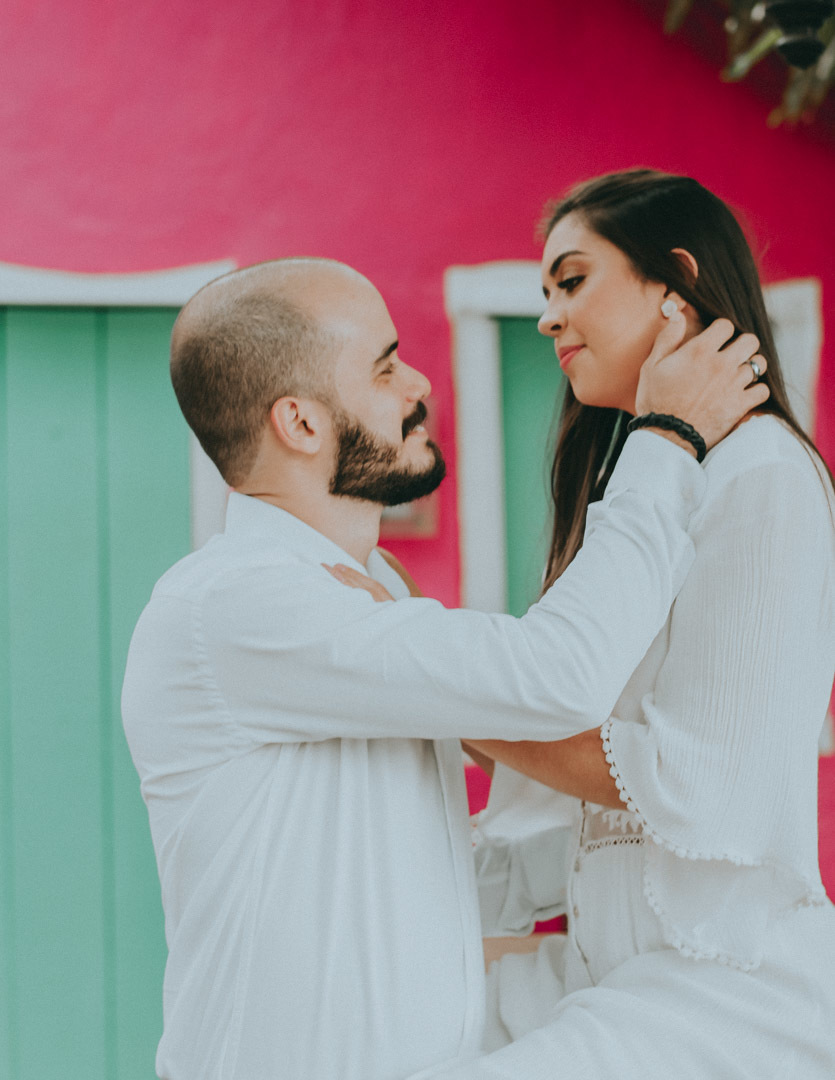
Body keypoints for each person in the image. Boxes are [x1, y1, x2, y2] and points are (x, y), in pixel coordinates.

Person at [121, 253, 765, 1080]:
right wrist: (668, 439)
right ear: (302, 424)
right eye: (384, 366)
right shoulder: (235, 604)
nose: (417, 383)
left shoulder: (368, 589)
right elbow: (557, 677)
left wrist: (657, 858)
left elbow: (406, 881)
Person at [342, 169, 834, 1080]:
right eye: (543, 293)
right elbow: (561, 750)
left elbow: (702, 780)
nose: (547, 317)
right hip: (608, 970)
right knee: (359, 1034)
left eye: (571, 281)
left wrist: (419, 671)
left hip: (723, 987)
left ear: (673, 282)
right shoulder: (657, 481)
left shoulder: (761, 475)